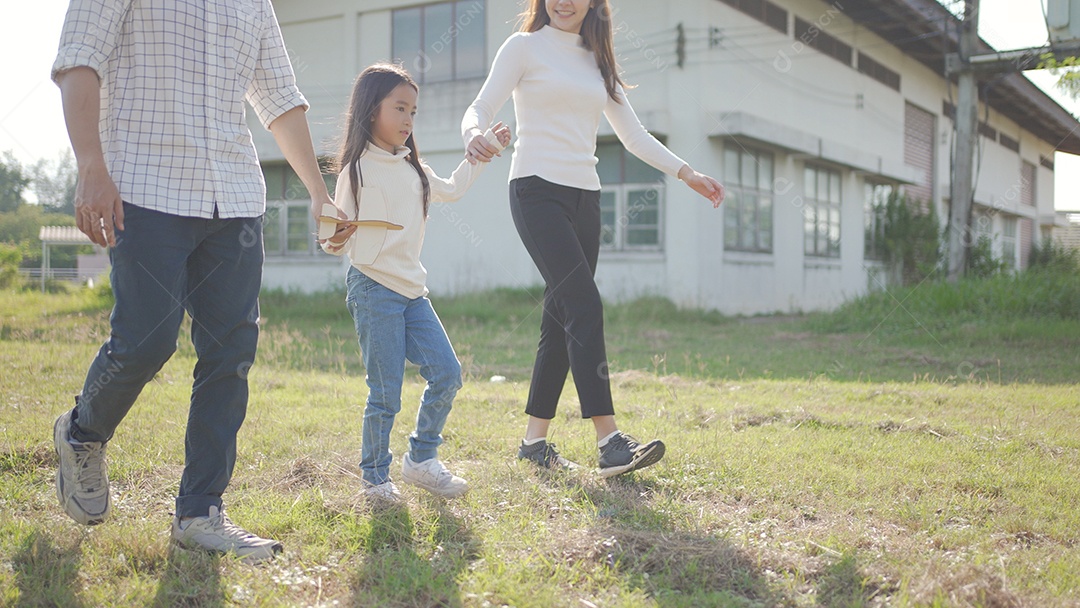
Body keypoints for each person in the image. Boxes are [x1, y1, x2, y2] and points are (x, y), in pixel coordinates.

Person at [51, 0, 330, 562]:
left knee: (232, 351)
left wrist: (319, 194)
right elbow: (80, 61)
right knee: (145, 343)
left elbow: (279, 97)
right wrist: (89, 166)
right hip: (145, 185)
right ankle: (83, 432)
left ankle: (200, 512)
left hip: (235, 195)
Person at [461, 0, 725, 477]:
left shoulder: (598, 60)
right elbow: (479, 106)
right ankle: (609, 441)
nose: (564, 2)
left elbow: (634, 135)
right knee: (584, 305)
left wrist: (687, 173)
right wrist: (474, 133)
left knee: (561, 316)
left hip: (586, 198)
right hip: (535, 190)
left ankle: (533, 445)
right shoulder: (524, 47)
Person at [320, 64, 510, 503]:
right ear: (372, 111)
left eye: (413, 111)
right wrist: (337, 236)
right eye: (399, 108)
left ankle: (421, 460)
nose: (408, 119)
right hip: (372, 288)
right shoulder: (356, 171)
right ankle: (374, 478)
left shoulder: (413, 168)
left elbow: (454, 189)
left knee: (447, 374)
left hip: (412, 293)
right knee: (385, 391)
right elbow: (332, 239)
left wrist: (482, 152)